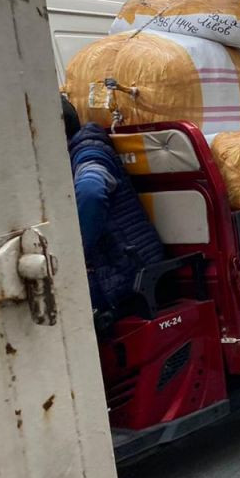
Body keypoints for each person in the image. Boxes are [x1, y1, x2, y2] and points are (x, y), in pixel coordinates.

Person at [63, 96, 166, 316]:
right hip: (120, 265)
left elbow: (91, 191)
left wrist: (74, 253)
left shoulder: (89, 153)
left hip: (129, 270)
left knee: (55, 299)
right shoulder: (80, 153)